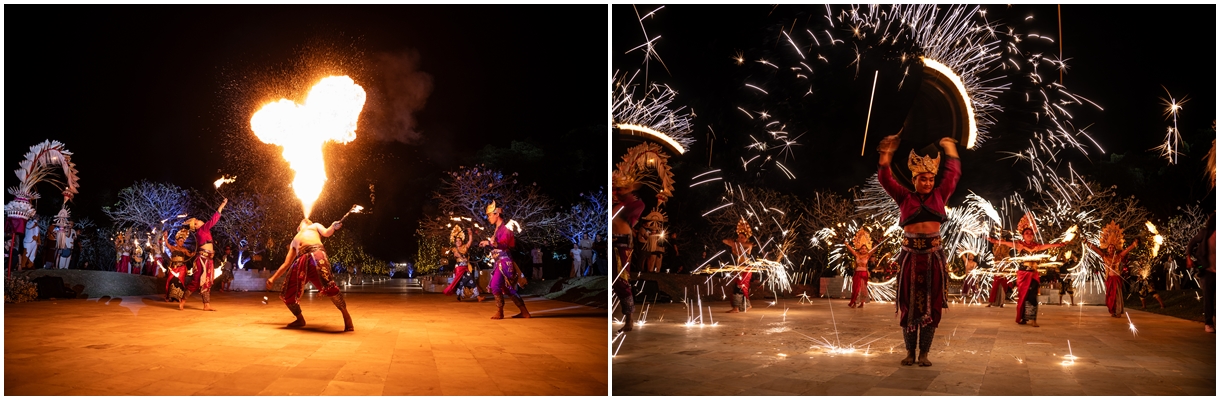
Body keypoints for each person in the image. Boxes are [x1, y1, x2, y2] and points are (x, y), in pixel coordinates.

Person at [877, 134, 960, 367]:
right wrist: (886, 154)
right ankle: (909, 353)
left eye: (931, 179)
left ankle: (924, 353)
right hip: (910, 258)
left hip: (934, 258)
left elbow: (952, 176)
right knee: (908, 303)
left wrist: (950, 149)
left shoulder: (939, 195)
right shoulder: (904, 197)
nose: (927, 183)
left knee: (932, 304)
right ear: (914, 179)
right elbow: (885, 179)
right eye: (923, 179)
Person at [267, 218, 353, 331]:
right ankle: (300, 319)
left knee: (329, 286)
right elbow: (286, 263)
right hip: (300, 262)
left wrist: (333, 226)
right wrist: (273, 278)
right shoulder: (294, 240)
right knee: (287, 292)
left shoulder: (314, 226)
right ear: (298, 228)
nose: (306, 219)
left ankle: (346, 317)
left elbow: (327, 232)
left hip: (316, 255)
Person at [987, 214, 1066, 327]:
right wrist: (994, 241)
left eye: (1031, 233)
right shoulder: (1020, 245)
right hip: (1023, 274)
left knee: (1032, 296)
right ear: (1023, 235)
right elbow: (1005, 243)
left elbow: (1048, 246)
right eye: (1026, 233)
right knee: (1023, 296)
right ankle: (1023, 318)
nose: (1029, 235)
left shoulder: (1036, 246)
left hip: (1033, 274)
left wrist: (1060, 244)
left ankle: (1033, 319)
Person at [479, 201, 529, 319]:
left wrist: (490, 243)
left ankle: (500, 312)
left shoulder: (505, 229)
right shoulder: (497, 229)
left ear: (497, 214)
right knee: (507, 288)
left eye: (490, 215)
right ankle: (524, 312)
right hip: (500, 262)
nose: (489, 217)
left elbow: (503, 245)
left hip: (504, 262)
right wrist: (489, 244)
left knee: (495, 285)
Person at [612, 175, 645, 332]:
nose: (617, 191)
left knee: (621, 281)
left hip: (623, 244)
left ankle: (629, 319)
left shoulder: (634, 204)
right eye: (616, 188)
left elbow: (634, 207)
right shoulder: (617, 203)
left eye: (621, 188)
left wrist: (629, 190)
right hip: (612, 243)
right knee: (614, 281)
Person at [1087, 221, 1138, 318]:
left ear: (1115, 249)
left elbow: (1126, 251)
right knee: (1111, 297)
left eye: (1112, 247)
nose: (1111, 249)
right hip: (1109, 279)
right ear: (1107, 249)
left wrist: (1133, 245)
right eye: (1109, 247)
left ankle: (1118, 311)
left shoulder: (1118, 256)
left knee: (1117, 296)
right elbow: (1097, 250)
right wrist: (1088, 243)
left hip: (1116, 278)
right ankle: (1113, 311)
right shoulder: (1105, 257)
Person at [183, 198, 226, 312]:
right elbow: (214, 219)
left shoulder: (202, 230)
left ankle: (206, 305)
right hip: (202, 259)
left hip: (208, 259)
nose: (200, 220)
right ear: (196, 226)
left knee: (207, 280)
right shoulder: (203, 229)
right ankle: (183, 299)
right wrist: (222, 205)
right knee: (197, 280)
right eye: (197, 221)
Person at [1187, 212, 1216, 333]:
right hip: (1207, 270)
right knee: (1208, 297)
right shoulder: (1206, 233)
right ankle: (1208, 322)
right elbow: (1192, 242)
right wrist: (1188, 257)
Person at [723, 218, 755, 313]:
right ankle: (745, 305)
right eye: (739, 237)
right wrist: (734, 243)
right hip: (740, 270)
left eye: (742, 237)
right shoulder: (737, 246)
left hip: (746, 269)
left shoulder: (748, 246)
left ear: (746, 238)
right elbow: (724, 241)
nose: (740, 239)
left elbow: (749, 246)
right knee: (739, 287)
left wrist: (737, 244)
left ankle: (737, 308)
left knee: (739, 286)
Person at [442, 227, 482, 302]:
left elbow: (470, 241)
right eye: (456, 241)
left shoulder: (464, 247)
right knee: (468, 278)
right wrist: (463, 258)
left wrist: (470, 233)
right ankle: (477, 296)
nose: (458, 242)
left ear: (461, 241)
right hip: (459, 267)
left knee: (464, 280)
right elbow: (457, 255)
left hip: (466, 266)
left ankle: (459, 296)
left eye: (459, 241)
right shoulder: (454, 249)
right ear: (455, 242)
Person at [844, 229, 881, 308]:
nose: (863, 250)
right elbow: (851, 250)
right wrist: (845, 243)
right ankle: (853, 302)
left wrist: (877, 244)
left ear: (867, 249)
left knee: (863, 289)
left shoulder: (867, 255)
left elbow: (874, 250)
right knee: (856, 288)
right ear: (859, 249)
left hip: (864, 274)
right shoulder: (857, 255)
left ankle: (862, 303)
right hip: (857, 273)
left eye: (865, 248)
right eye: (862, 248)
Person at [164, 229, 195, 307]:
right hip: (174, 267)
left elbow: (189, 255)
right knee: (171, 280)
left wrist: (193, 253)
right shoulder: (173, 248)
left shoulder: (184, 250)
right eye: (180, 241)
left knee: (180, 281)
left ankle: (179, 297)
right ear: (177, 241)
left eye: (183, 241)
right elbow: (167, 244)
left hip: (181, 268)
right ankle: (170, 297)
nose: (182, 242)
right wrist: (165, 237)